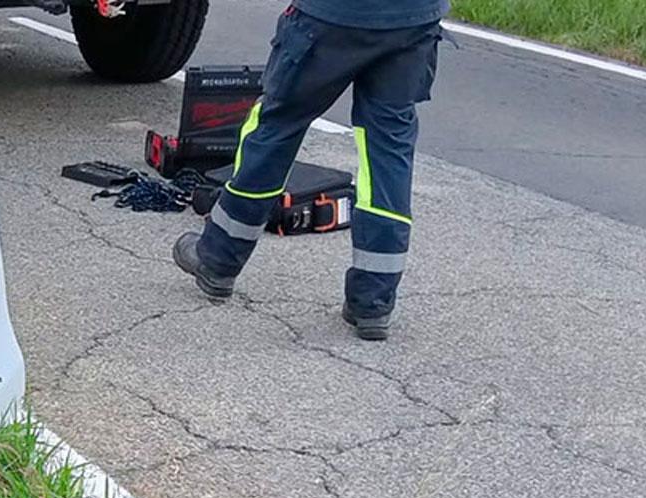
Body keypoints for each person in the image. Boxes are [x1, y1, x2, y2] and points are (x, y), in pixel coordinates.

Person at [172, 0, 447, 340]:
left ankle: (219, 259)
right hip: (412, 21)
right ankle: (373, 301)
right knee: (389, 152)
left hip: (330, 17)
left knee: (276, 127)